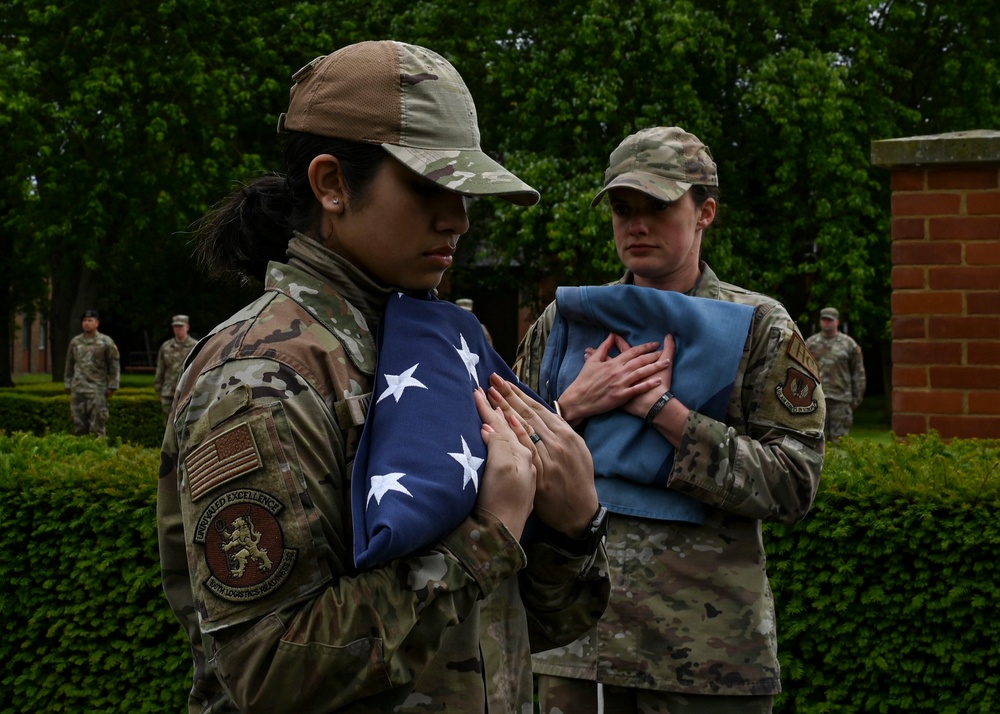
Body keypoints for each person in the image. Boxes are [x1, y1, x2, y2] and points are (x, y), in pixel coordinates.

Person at [156, 40, 610, 713]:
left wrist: (572, 529)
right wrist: (486, 534)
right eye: (430, 186)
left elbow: (504, 629)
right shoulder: (259, 379)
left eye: (466, 192)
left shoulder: (442, 346)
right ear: (332, 184)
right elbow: (270, 672)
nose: (457, 219)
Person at [515, 126, 826, 713]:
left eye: (657, 207)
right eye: (622, 208)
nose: (636, 225)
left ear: (705, 212)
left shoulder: (759, 325)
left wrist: (668, 414)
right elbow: (497, 454)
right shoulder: (567, 321)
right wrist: (573, 406)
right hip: (576, 648)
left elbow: (794, 483)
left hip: (704, 658)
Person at [806, 307, 866, 445]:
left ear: (837, 322)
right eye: (824, 319)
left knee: (840, 442)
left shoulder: (848, 344)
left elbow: (858, 372)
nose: (827, 323)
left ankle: (840, 467)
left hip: (841, 400)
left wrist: (857, 398)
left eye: (830, 320)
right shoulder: (811, 343)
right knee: (816, 442)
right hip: (816, 399)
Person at [63, 309, 120, 437]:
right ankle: (80, 454)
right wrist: (67, 383)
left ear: (97, 323)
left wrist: (112, 385)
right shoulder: (75, 342)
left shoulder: (106, 342)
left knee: (97, 426)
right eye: (84, 320)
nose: (86, 323)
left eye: (90, 320)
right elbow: (69, 364)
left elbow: (114, 365)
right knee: (79, 426)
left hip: (97, 389)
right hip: (78, 389)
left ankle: (98, 454)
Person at [153, 314, 198, 422]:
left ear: (187, 327)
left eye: (180, 326)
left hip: (188, 393)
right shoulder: (166, 347)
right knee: (168, 427)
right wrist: (159, 389)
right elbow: (160, 369)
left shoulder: (195, 346)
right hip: (169, 394)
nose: (177, 329)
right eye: (175, 327)